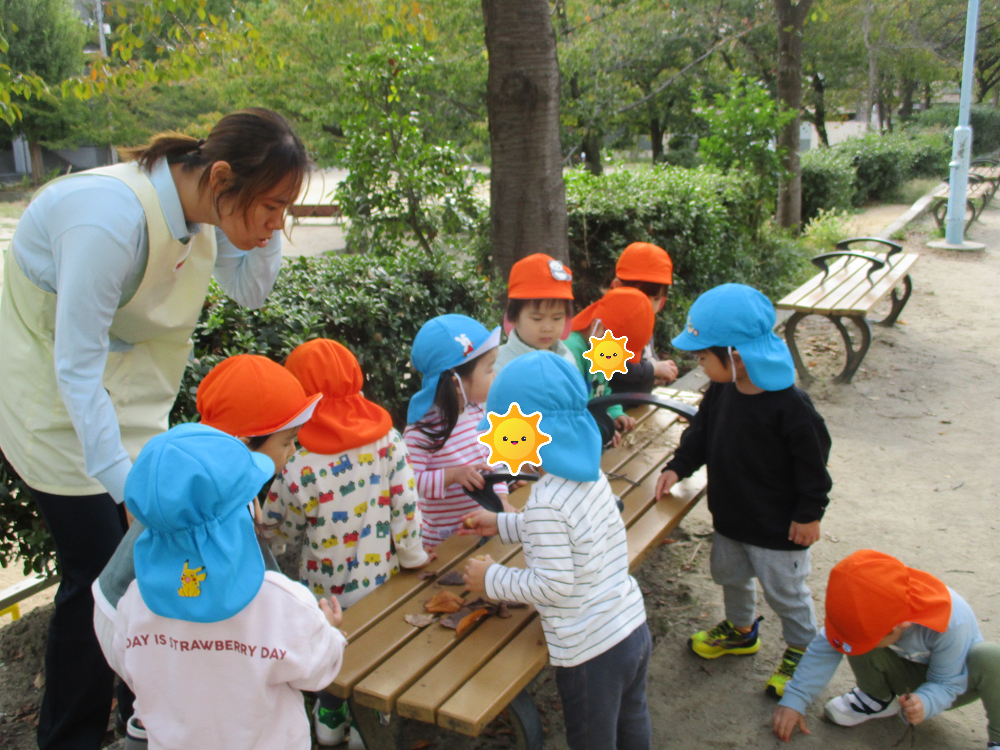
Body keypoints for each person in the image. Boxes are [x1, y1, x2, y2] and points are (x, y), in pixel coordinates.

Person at [0, 108, 308, 749]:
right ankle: (70, 737)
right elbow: (74, 369)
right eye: (272, 206)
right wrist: (132, 493)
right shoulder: (106, 219)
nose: (278, 222)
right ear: (221, 176)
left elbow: (250, 289)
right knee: (96, 575)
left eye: (286, 208)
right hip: (54, 412)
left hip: (132, 408)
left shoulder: (203, 208)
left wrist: (268, 222)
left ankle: (145, 711)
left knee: (148, 563)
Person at [92, 353, 322, 747]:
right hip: (156, 654)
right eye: (287, 441)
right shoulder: (218, 504)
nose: (291, 453)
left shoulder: (203, 484)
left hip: (158, 650)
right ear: (246, 443)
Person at [461, 351, 651, 750]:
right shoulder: (586, 476)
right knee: (632, 721)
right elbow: (575, 534)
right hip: (630, 627)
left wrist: (491, 579)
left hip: (591, 651)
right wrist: (502, 522)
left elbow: (553, 585)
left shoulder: (546, 501)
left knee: (591, 740)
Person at [654, 283, 832, 698]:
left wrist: (809, 514)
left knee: (785, 594)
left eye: (702, 356)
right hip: (732, 517)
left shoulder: (791, 407)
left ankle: (803, 650)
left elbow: (813, 468)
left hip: (778, 530)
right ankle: (740, 629)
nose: (697, 362)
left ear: (735, 356)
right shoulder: (721, 388)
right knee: (731, 576)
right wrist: (678, 466)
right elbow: (700, 434)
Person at [264, 338, 430, 747]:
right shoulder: (387, 440)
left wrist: (276, 548)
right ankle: (376, 713)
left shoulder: (300, 464)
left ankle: (331, 712)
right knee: (376, 651)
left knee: (328, 649)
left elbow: (274, 531)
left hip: (325, 593)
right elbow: (406, 505)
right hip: (382, 583)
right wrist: (412, 556)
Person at [774, 550, 1000, 750]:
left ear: (901, 624)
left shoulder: (951, 621)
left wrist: (926, 702)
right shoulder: (870, 597)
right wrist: (796, 698)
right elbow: (827, 646)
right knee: (854, 637)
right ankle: (877, 698)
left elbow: (947, 683)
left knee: (990, 657)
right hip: (909, 671)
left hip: (954, 681)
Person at [403, 314, 511, 546]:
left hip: (487, 528)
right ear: (456, 383)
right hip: (445, 543)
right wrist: (453, 475)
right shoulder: (422, 431)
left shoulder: (478, 412)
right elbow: (409, 483)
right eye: (489, 369)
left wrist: (501, 500)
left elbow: (496, 461)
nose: (495, 376)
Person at [565, 285, 656, 439]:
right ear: (598, 327)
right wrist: (602, 426)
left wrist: (614, 412)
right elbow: (573, 409)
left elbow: (601, 390)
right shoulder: (570, 352)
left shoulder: (599, 348)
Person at [608, 242, 679, 391]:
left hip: (640, 403)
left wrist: (660, 369)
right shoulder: (609, 322)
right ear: (617, 287)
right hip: (613, 407)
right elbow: (609, 363)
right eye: (642, 297)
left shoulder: (642, 321)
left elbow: (647, 357)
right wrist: (653, 369)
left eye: (655, 299)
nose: (648, 305)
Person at [494, 253, 577, 373]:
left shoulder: (567, 359)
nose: (547, 328)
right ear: (514, 317)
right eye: (537, 319)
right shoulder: (499, 365)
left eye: (557, 318)